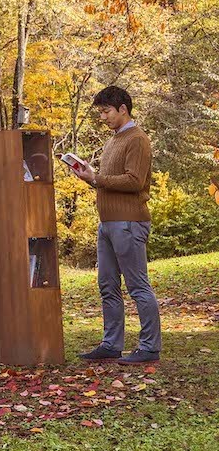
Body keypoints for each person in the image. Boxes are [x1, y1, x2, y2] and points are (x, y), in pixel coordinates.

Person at [71, 86, 162, 364]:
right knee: (107, 285)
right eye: (101, 112)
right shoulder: (113, 140)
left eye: (106, 111)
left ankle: (149, 348)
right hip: (108, 223)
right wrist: (89, 177)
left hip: (129, 223)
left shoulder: (138, 139)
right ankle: (111, 344)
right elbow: (107, 181)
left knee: (137, 286)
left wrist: (97, 179)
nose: (103, 117)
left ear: (123, 109)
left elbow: (134, 181)